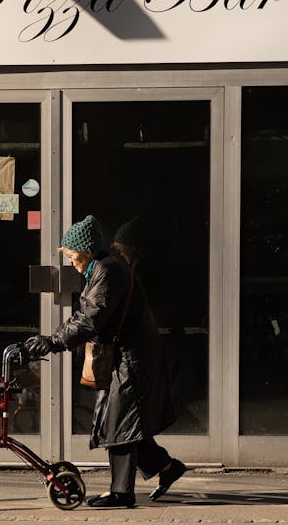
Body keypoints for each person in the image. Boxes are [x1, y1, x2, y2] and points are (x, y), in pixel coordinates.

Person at [25, 214, 186, 508]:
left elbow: (91, 318)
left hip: (132, 358)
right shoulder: (104, 267)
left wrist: (53, 341)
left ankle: (122, 492)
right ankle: (167, 467)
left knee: (119, 421)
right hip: (129, 355)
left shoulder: (108, 271)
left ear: (86, 252)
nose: (72, 262)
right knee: (126, 420)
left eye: (73, 257)